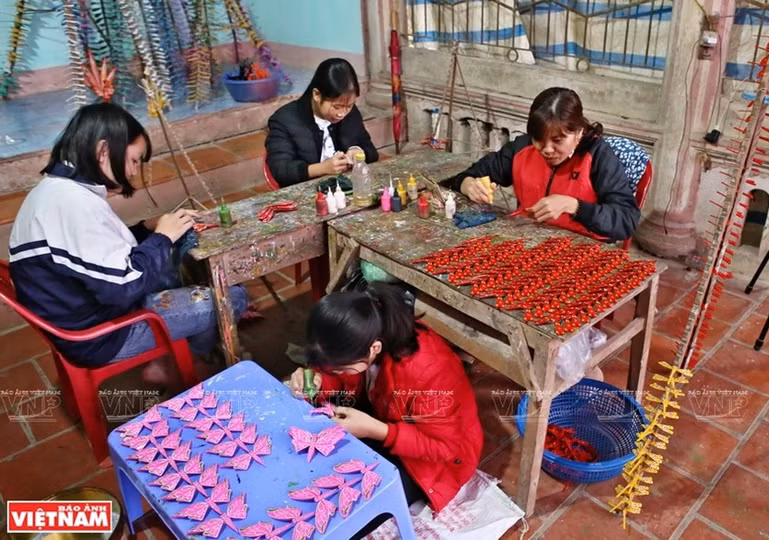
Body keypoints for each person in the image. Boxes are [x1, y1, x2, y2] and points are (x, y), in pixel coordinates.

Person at [8, 103, 247, 387]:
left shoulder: (57, 191)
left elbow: (94, 253)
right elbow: (123, 288)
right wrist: (162, 237)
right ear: (103, 151)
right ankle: (187, 361)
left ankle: (177, 347)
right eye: (134, 160)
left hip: (82, 309)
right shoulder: (73, 205)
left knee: (169, 253)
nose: (134, 172)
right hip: (102, 334)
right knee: (233, 297)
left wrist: (147, 228)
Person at [288, 283, 483, 526]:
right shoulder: (362, 338)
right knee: (313, 450)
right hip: (383, 414)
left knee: (352, 510)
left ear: (374, 349)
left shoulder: (428, 370)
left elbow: (444, 448)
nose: (334, 371)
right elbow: (337, 374)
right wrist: (316, 381)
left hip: (434, 461)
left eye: (338, 368)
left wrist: (377, 431)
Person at [445, 87, 640, 242]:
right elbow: (466, 176)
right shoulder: (522, 148)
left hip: (584, 251)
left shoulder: (598, 156)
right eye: (538, 139)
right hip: (529, 242)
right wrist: (467, 184)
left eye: (557, 140)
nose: (547, 149)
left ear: (578, 133)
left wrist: (574, 206)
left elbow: (626, 220)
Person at [266, 58, 378, 187]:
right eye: (336, 107)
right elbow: (280, 170)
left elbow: (371, 151)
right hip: (306, 191)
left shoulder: (350, 113)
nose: (342, 113)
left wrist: (357, 152)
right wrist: (323, 168)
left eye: (349, 106)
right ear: (317, 95)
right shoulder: (284, 120)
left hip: (345, 188)